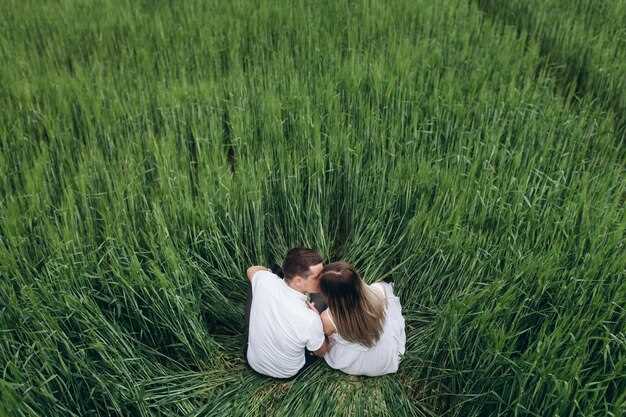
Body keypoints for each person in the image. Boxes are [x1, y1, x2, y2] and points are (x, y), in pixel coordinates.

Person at [243, 247, 331, 378]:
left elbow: (251, 270)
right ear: (298, 281)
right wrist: (321, 322)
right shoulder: (310, 319)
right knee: (322, 298)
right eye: (317, 277)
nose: (323, 279)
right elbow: (322, 352)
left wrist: (269, 273)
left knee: (264, 277)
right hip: (286, 372)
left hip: (254, 362)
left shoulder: (265, 280)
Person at [317, 261, 406, 376]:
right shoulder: (378, 292)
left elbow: (323, 344)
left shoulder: (328, 318)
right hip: (385, 358)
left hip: (357, 362)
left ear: (330, 295)